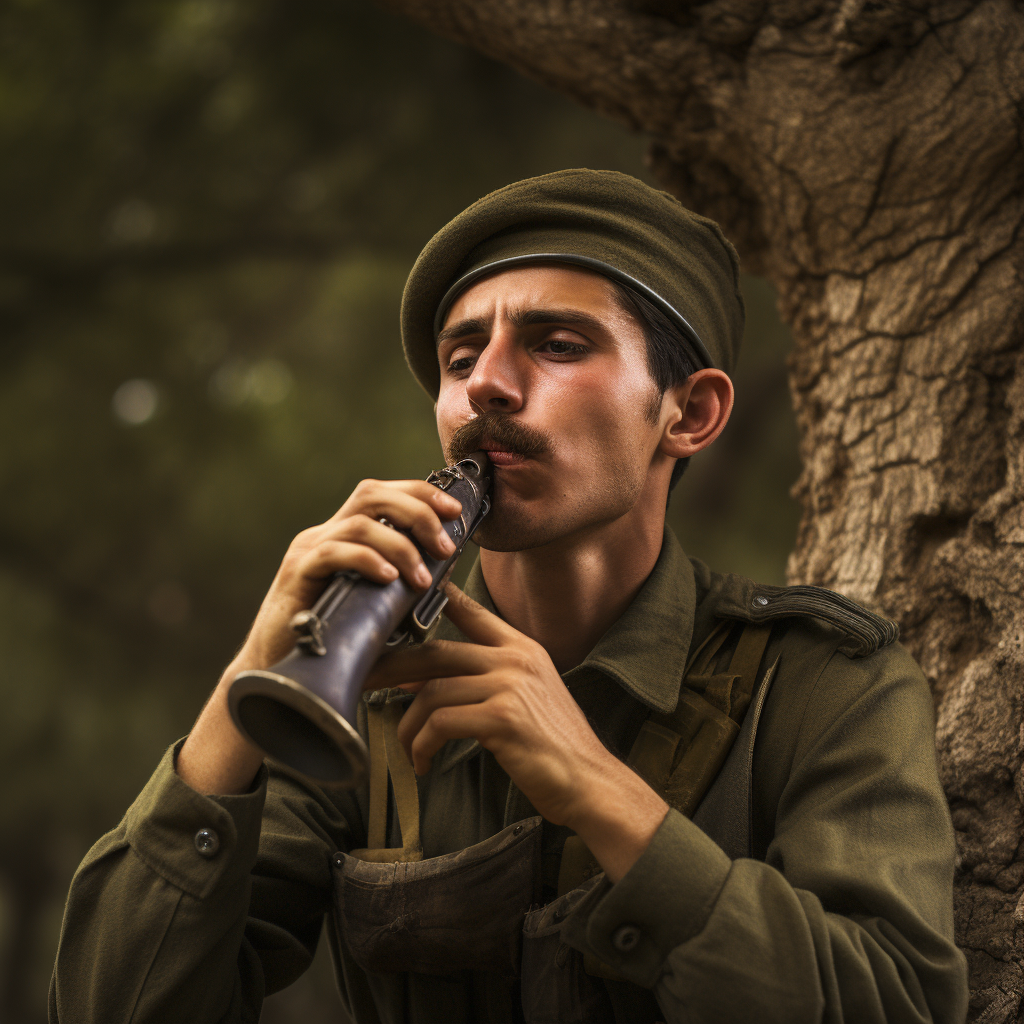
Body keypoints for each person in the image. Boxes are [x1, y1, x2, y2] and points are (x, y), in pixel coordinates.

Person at [50, 169, 968, 1023]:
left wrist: (602, 794)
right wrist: (253, 677)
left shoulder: (823, 684)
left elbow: (899, 1000)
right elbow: (114, 1005)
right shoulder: (362, 698)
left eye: (558, 344)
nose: (484, 382)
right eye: (459, 359)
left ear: (687, 414)